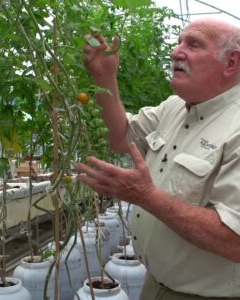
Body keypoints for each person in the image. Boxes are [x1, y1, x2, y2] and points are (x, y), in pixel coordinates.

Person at [75, 17, 240, 300]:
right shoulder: (175, 108)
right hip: (155, 285)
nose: (175, 52)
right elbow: (121, 136)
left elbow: (234, 239)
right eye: (178, 42)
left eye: (194, 44)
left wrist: (146, 196)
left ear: (231, 63)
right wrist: (104, 76)